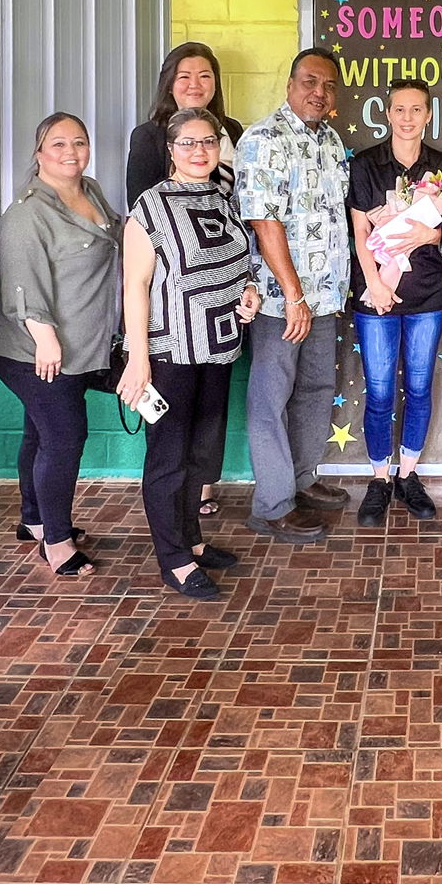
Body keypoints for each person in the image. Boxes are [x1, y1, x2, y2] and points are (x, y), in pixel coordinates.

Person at [118, 108, 261, 598]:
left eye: (208, 142)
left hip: (217, 348)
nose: (199, 151)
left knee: (201, 453)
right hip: (169, 352)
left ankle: (193, 540)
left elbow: (239, 264)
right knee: (169, 457)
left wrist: (248, 293)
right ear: (171, 149)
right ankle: (173, 559)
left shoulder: (223, 199)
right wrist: (139, 359)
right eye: (188, 143)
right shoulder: (150, 207)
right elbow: (135, 286)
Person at [0, 112, 119, 578]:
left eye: (79, 142)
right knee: (64, 437)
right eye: (58, 144)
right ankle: (56, 543)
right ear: (39, 152)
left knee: (40, 432)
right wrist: (45, 339)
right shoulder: (27, 212)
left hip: (79, 344)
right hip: (34, 350)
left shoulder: (91, 192)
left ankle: (34, 519)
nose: (70, 152)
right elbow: (23, 285)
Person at [235, 48, 352, 543]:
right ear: (289, 85)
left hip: (325, 296)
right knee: (271, 398)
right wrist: (293, 295)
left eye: (328, 85)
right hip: (282, 302)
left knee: (316, 391)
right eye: (309, 81)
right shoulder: (264, 139)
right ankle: (272, 505)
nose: (318, 92)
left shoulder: (331, 140)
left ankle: (302, 480)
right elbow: (265, 222)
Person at [126, 42, 244, 520]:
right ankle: (174, 543)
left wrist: (244, 286)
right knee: (170, 444)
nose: (195, 85)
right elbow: (144, 241)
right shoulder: (149, 143)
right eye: (184, 76)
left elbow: (238, 222)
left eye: (205, 75)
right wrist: (138, 354)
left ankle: (192, 523)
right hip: (170, 325)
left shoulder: (232, 134)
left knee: (205, 430)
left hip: (219, 325)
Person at [348, 80, 442, 527]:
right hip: (376, 295)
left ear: (428, 115)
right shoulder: (366, 164)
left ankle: (408, 476)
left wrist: (430, 234)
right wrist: (375, 284)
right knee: (379, 390)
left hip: (427, 293)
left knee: (420, 387)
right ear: (387, 114)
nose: (407, 118)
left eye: (416, 110)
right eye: (399, 109)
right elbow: (359, 231)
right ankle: (379, 480)